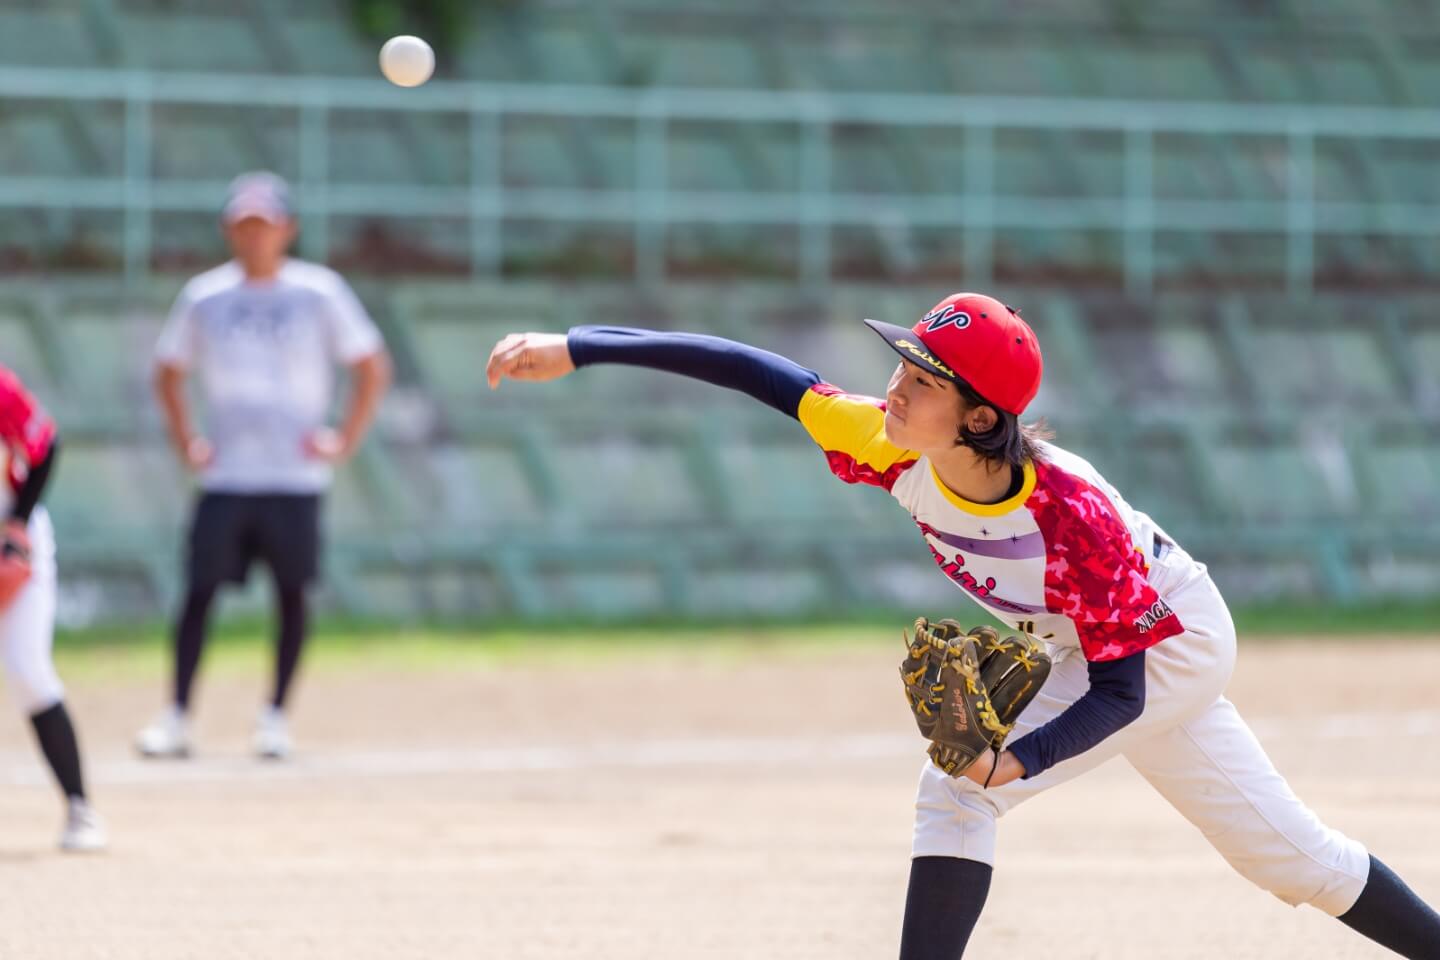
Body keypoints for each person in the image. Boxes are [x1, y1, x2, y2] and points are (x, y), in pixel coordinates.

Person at [484, 293, 1440, 959]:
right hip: (1096, 647)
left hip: (1167, 643)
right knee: (1291, 859)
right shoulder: (887, 439)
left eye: (923, 379)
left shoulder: (1071, 512)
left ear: (980, 415)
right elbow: (747, 369)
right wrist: (579, 345)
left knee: (960, 794)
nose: (895, 388)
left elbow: (1126, 687)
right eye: (903, 363)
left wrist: (1018, 759)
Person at [135, 172, 391, 761]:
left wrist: (344, 438)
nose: (254, 236)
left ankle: (274, 717)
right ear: (229, 231)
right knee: (199, 592)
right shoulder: (206, 296)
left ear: (288, 229)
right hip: (227, 474)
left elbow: (371, 364)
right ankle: (177, 714)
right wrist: (187, 440)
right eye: (244, 225)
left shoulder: (319, 292)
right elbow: (168, 370)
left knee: (292, 594)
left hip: (294, 477)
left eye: (265, 225)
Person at [0, 365, 106, 851]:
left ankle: (80, 808)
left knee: (27, 670)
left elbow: (45, 446)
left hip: (9, 538)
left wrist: (18, 525)